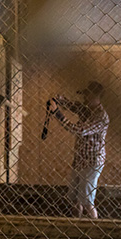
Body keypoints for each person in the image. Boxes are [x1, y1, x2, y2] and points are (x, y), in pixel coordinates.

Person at [47, 81, 109, 219]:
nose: (84, 98)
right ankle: (76, 226)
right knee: (74, 199)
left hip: (92, 162)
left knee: (87, 201)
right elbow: (73, 106)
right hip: (80, 159)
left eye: (87, 95)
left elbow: (79, 130)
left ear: (95, 96)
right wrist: (58, 100)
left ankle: (95, 230)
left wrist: (57, 113)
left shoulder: (101, 117)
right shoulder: (87, 109)